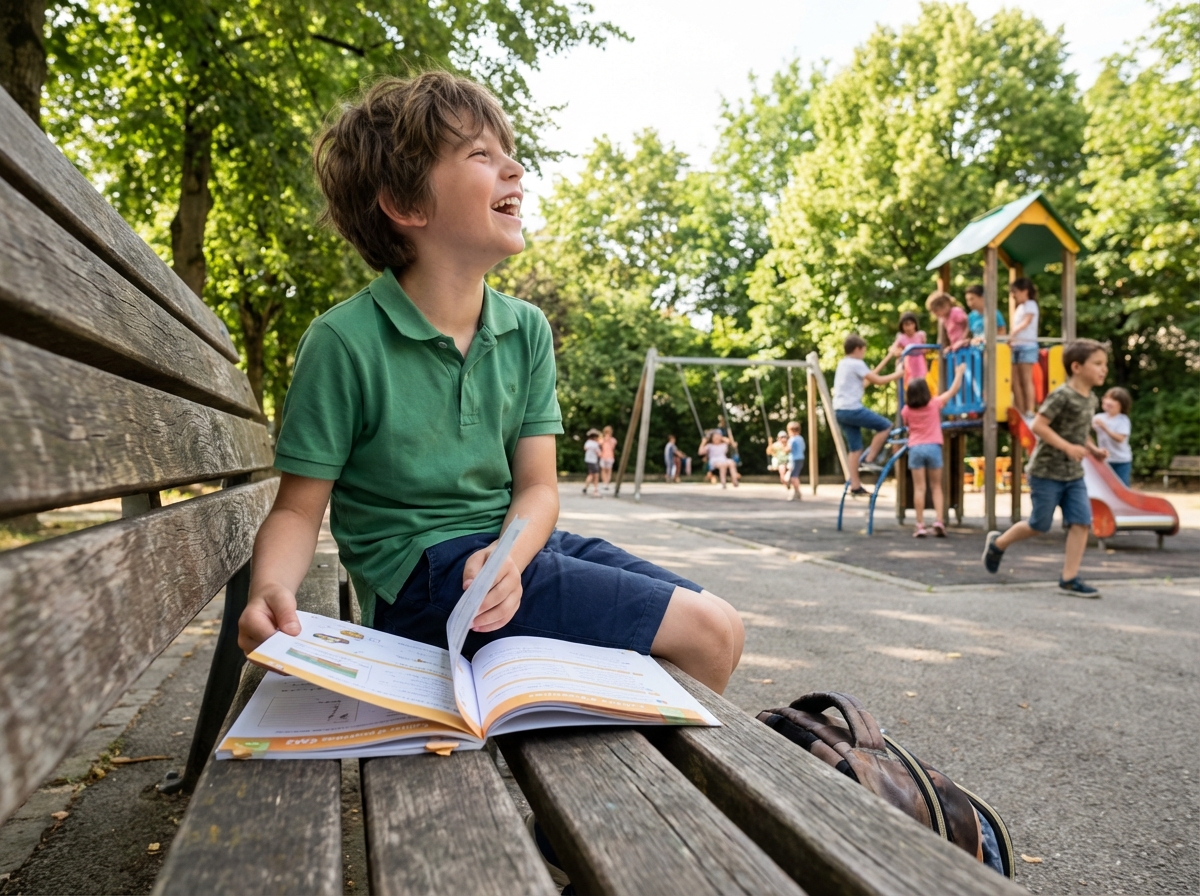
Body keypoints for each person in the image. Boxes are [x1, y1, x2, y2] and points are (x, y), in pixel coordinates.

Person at [237, 73, 744, 711]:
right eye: (482, 154)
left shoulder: (525, 329)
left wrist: (509, 554)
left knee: (721, 625)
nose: (516, 167)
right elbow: (297, 511)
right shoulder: (343, 341)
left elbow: (537, 487)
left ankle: (621, 785)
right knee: (704, 635)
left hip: (510, 549)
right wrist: (268, 590)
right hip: (421, 586)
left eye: (508, 151)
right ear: (405, 203)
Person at [983, 339, 1110, 597]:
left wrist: (1093, 449)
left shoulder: (1091, 399)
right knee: (1039, 524)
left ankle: (1069, 578)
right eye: (1097, 364)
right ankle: (998, 543)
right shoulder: (1062, 395)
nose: (1103, 369)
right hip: (1046, 472)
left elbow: (1079, 431)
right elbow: (1039, 426)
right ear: (1076, 367)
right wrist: (1067, 447)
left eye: (1104, 364)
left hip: (1073, 474)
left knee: (1081, 522)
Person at [834, 333, 903, 496]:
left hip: (840, 410)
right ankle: (869, 458)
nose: (863, 354)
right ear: (858, 349)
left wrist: (888, 357)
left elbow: (868, 380)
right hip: (852, 409)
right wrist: (899, 374)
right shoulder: (856, 363)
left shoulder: (844, 364)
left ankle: (855, 486)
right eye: (863, 351)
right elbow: (878, 380)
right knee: (885, 425)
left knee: (855, 448)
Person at [901, 365, 965, 537]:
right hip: (933, 447)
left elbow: (908, 428)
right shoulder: (934, 404)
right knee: (937, 486)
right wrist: (958, 373)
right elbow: (952, 390)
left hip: (915, 448)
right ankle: (939, 520)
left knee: (919, 488)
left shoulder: (906, 410)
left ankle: (920, 524)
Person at [1008, 277, 1040, 416]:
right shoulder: (1019, 307)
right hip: (1017, 346)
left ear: (1025, 291)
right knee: (1015, 380)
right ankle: (1019, 408)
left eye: (1015, 292)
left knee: (1026, 379)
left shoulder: (1030, 304)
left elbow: (1026, 322)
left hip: (1027, 345)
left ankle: (1029, 409)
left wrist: (1012, 334)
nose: (1013, 295)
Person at [1093, 387, 1133, 486]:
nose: (1108, 401)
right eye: (1107, 397)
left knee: (1122, 488)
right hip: (1105, 460)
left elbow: (1120, 438)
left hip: (1121, 461)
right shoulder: (1098, 417)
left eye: (1113, 399)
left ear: (1121, 404)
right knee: (1105, 488)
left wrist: (1104, 428)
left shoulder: (1123, 420)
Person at [891, 311, 929, 384]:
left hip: (919, 362)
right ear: (902, 326)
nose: (908, 327)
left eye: (911, 324)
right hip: (908, 363)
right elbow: (893, 349)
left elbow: (925, 350)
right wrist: (899, 352)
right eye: (906, 325)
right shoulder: (901, 337)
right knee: (909, 382)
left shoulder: (920, 335)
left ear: (915, 324)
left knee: (922, 381)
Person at [785, 421, 806, 502]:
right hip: (800, 458)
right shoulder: (801, 438)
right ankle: (796, 492)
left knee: (794, 477)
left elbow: (788, 449)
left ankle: (797, 492)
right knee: (793, 475)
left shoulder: (792, 439)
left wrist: (784, 447)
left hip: (795, 459)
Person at [582, 428, 601, 497]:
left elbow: (585, 448)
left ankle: (585, 487)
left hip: (588, 460)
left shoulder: (588, 442)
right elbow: (599, 453)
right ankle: (595, 489)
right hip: (593, 461)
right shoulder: (595, 444)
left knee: (591, 474)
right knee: (595, 475)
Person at [598, 425, 618, 491]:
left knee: (608, 470)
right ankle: (605, 483)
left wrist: (608, 440)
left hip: (609, 456)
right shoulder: (602, 440)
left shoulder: (613, 440)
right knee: (604, 470)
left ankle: (606, 483)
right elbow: (599, 445)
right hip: (603, 456)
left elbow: (613, 447)